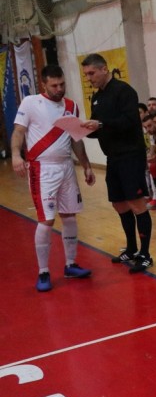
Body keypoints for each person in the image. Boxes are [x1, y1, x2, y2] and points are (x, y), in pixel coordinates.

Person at [11, 65, 96, 292]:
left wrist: (86, 165)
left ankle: (70, 264)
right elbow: (19, 131)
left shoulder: (71, 106)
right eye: (54, 85)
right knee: (46, 221)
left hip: (66, 167)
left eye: (62, 85)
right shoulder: (30, 103)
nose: (59, 89)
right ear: (43, 85)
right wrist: (16, 155)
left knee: (69, 216)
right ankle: (43, 271)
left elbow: (76, 139)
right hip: (42, 169)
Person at [80, 53, 156, 274]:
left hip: (130, 155)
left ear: (104, 69)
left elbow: (128, 122)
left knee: (136, 203)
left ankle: (145, 254)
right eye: (86, 75)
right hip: (112, 157)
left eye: (91, 73)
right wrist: (83, 129)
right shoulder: (97, 97)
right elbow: (100, 128)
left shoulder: (125, 91)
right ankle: (131, 248)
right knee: (119, 204)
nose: (89, 78)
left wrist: (101, 124)